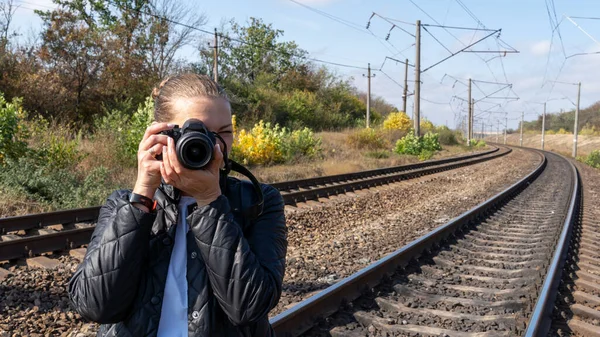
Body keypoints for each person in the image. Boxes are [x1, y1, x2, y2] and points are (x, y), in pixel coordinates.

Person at [68, 73, 288, 336]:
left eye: (224, 132)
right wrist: (142, 194)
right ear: (160, 134)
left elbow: (249, 307)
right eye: (199, 133)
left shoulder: (259, 201)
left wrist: (210, 201)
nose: (215, 146)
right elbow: (95, 306)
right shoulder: (122, 203)